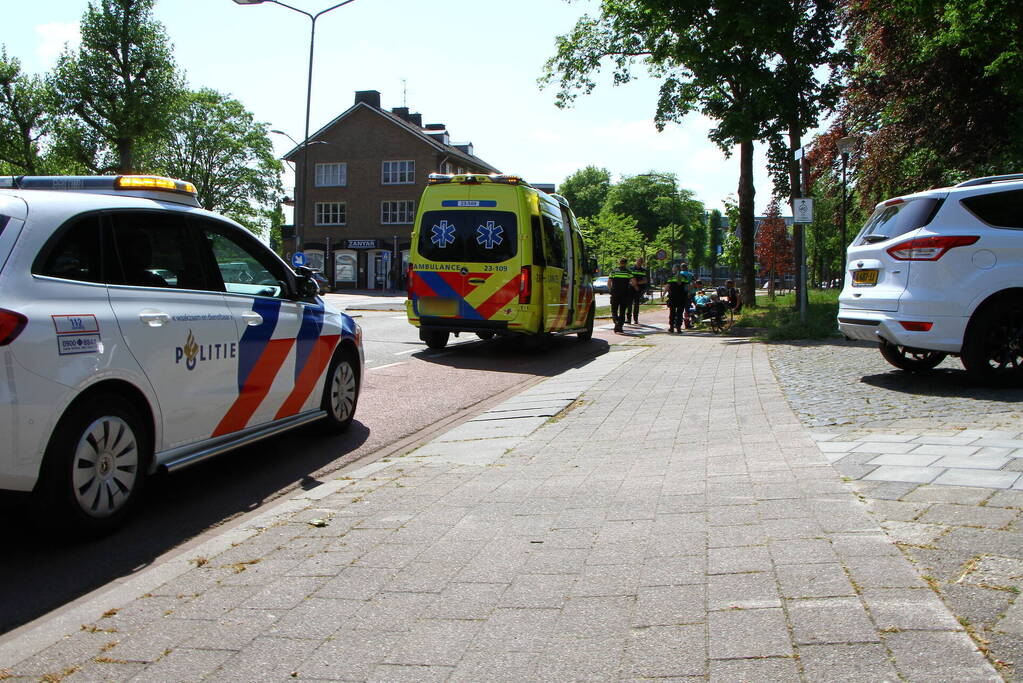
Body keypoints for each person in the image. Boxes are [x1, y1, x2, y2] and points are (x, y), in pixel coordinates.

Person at [608, 257, 634, 333]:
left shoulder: (613, 271)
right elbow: (633, 282)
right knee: (622, 311)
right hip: (625, 294)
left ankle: (616, 322)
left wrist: (610, 290)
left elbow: (609, 282)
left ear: (619, 263)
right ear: (626, 263)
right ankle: (620, 326)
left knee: (614, 310)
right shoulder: (628, 272)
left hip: (615, 293)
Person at [664, 263, 691, 333]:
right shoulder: (684, 277)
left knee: (672, 312)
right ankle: (678, 328)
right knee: (680, 312)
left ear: (675, 269)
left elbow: (667, 286)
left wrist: (663, 294)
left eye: (673, 267)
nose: (672, 269)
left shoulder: (671, 277)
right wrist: (688, 293)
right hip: (682, 297)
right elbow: (688, 286)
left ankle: (671, 327)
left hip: (672, 297)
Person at [629, 256, 649, 325]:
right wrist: (635, 285)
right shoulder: (631, 269)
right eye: (638, 261)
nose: (639, 262)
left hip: (639, 289)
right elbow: (629, 279)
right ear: (636, 261)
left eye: (641, 261)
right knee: (629, 304)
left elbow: (645, 280)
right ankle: (628, 319)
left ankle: (635, 319)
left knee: (636, 304)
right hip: (631, 288)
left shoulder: (644, 270)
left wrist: (636, 284)